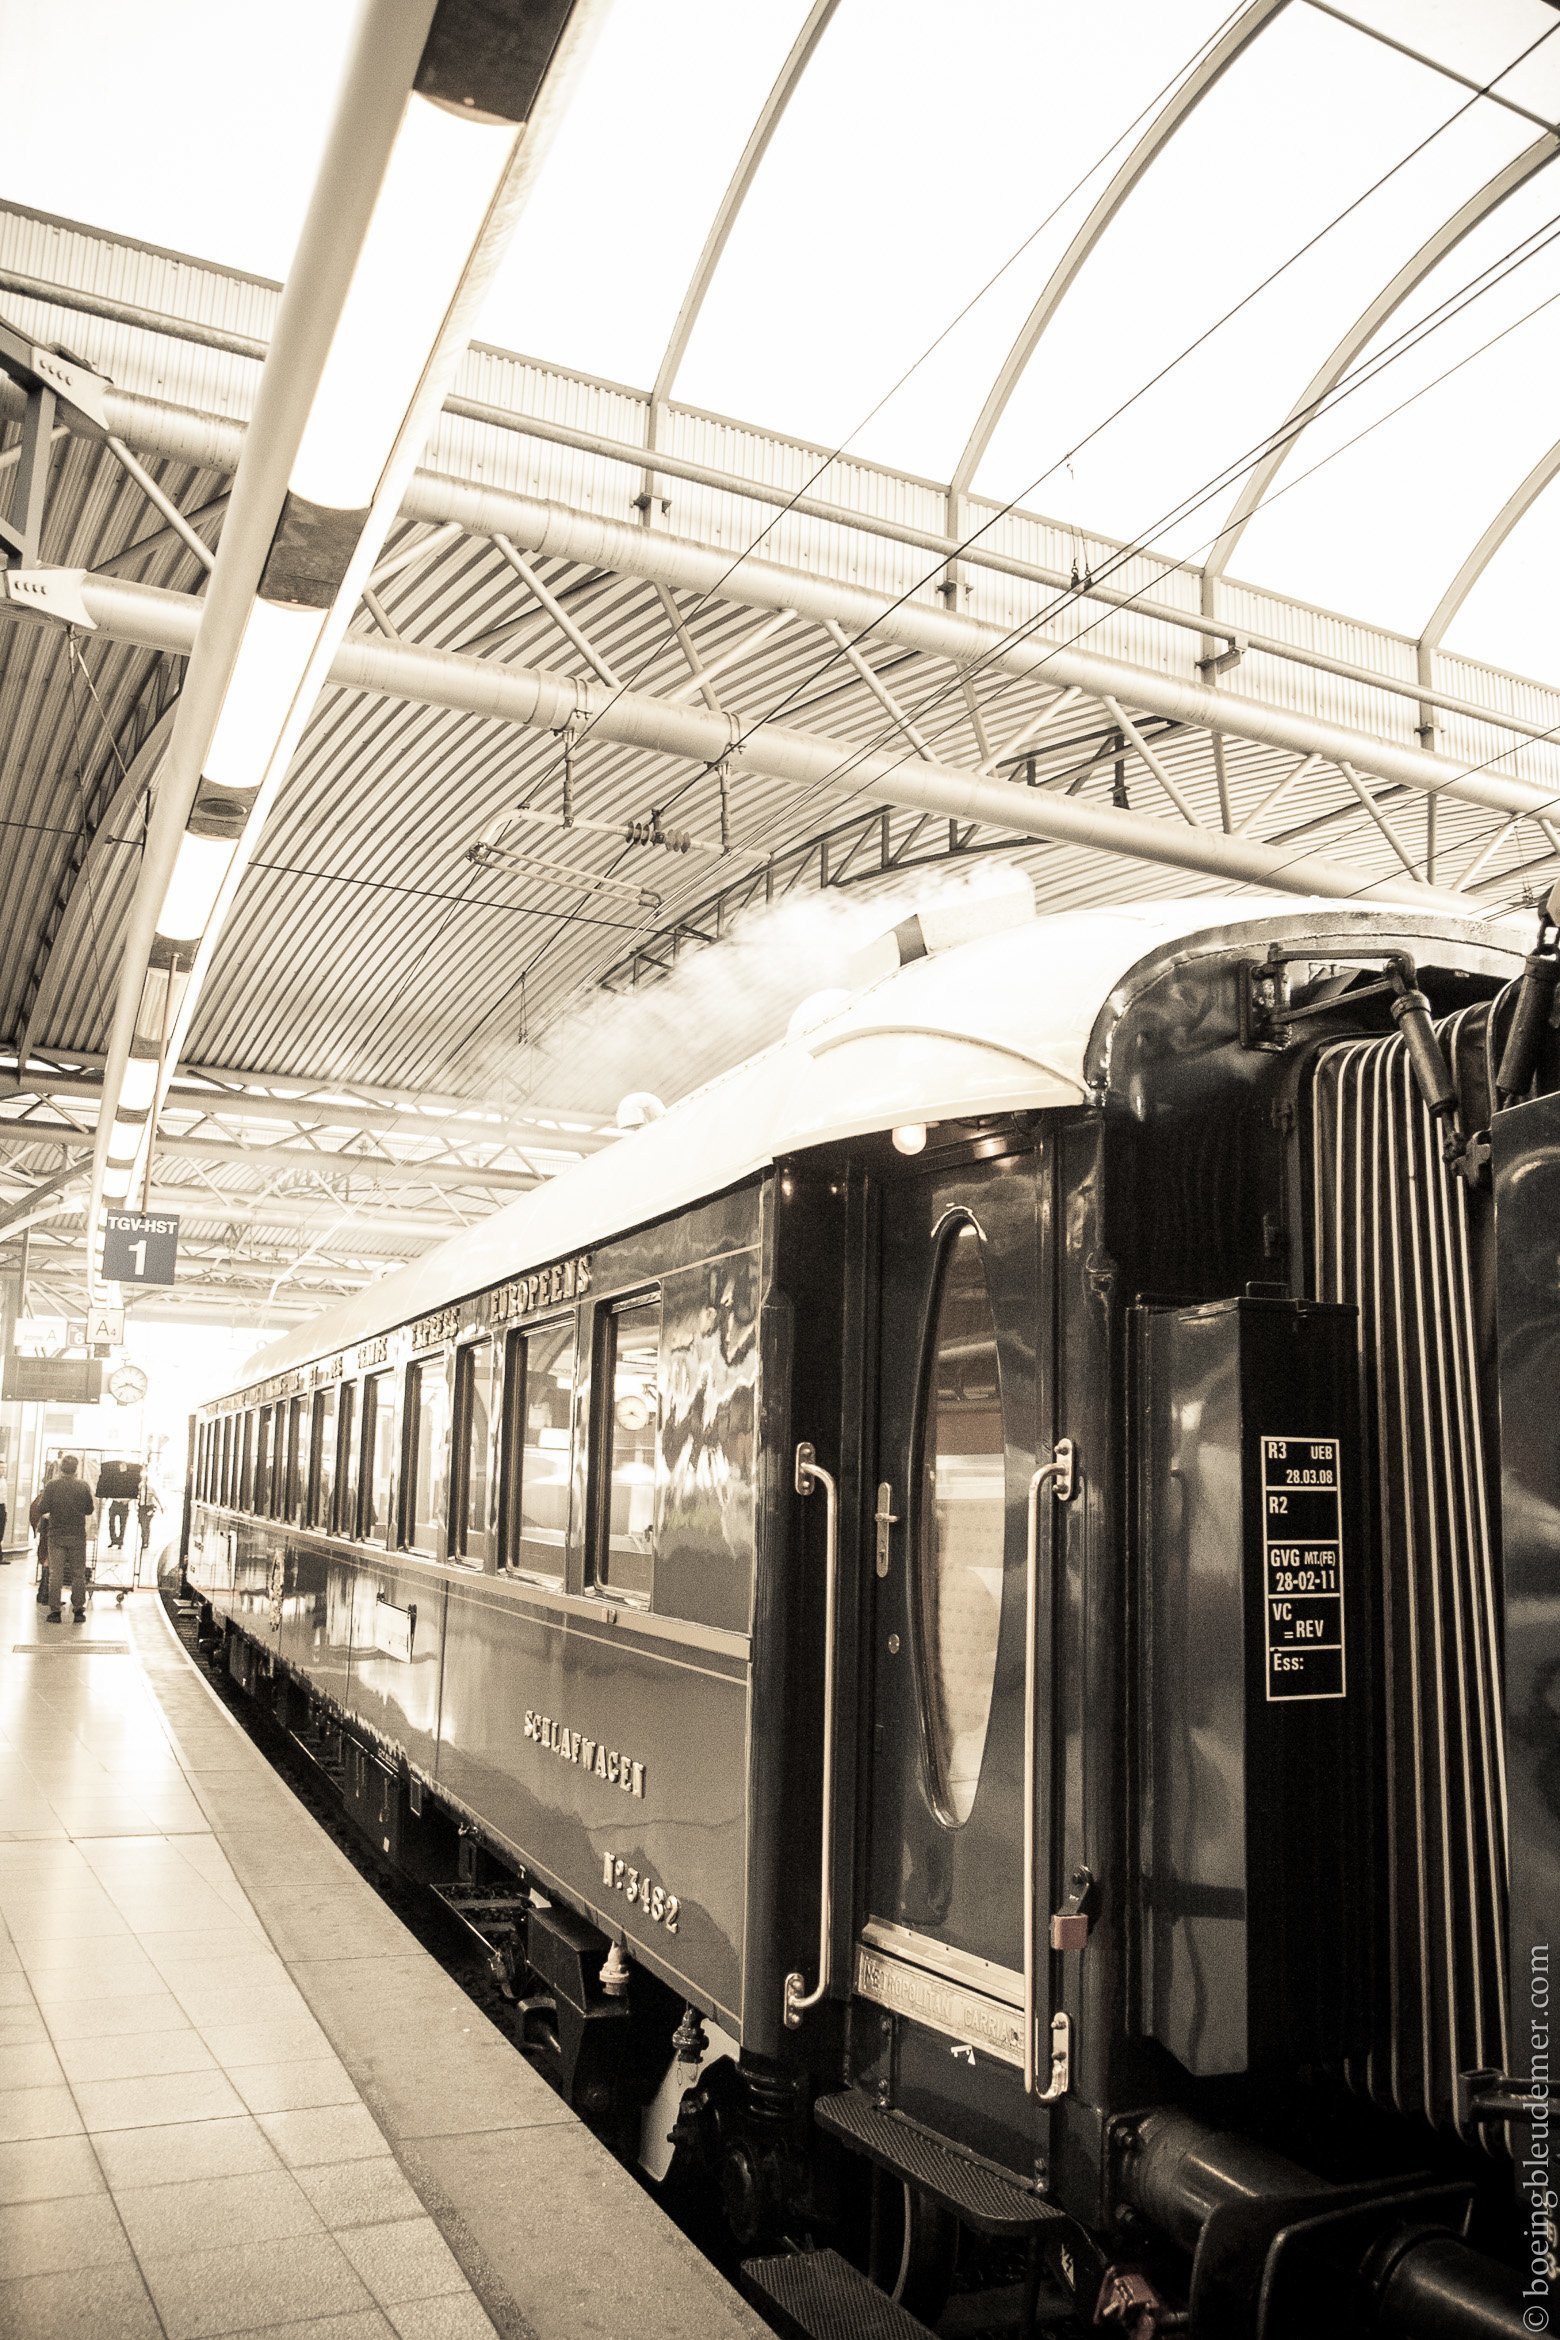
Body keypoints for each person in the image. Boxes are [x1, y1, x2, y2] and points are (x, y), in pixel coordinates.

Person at [30, 1456, 95, 1624]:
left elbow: (41, 1508)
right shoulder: (83, 1486)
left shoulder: (52, 1485)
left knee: (55, 1574)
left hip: (56, 1535)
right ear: (76, 1468)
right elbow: (89, 1510)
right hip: (77, 1536)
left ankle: (55, 1612)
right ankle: (78, 1611)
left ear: (61, 1468)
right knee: (77, 1575)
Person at [136, 1480, 160, 1555]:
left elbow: (156, 1498)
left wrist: (161, 1507)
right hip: (141, 1508)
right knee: (142, 1524)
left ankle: (145, 1541)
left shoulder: (151, 1489)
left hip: (149, 1507)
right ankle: (144, 1540)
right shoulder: (139, 1488)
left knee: (146, 1524)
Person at [0, 1462, 9, 1560]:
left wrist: (6, 1511)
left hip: (2, 1507)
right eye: (1, 1468)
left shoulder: (3, 1481)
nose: (3, 1470)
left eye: (4, 1468)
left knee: (1, 1532)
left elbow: (5, 1497)